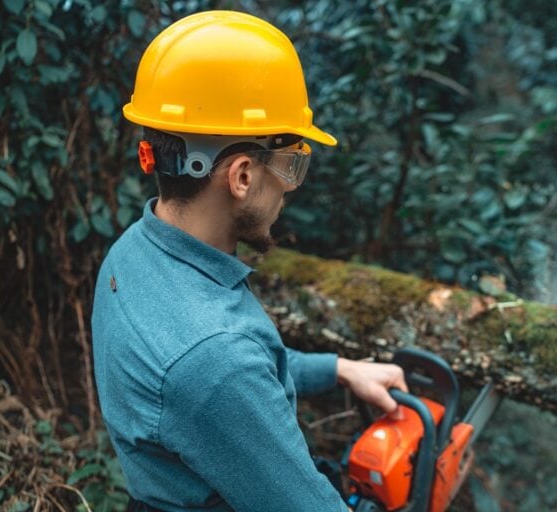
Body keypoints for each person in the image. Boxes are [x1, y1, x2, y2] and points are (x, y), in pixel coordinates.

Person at [91, 10, 408, 512]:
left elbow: (233, 378)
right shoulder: (217, 359)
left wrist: (340, 369)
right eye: (290, 164)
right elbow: (223, 377)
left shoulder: (132, 254)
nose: (289, 186)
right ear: (241, 176)